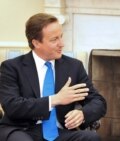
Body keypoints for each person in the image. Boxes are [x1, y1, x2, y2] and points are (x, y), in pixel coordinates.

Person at [0, 13, 106, 141]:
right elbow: (12, 106)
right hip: (22, 130)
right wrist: (54, 100)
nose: (62, 44)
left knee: (91, 137)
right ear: (36, 43)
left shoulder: (74, 66)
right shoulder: (12, 67)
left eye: (61, 37)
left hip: (60, 132)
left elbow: (97, 101)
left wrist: (82, 114)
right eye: (54, 39)